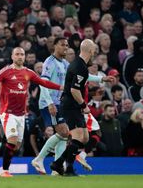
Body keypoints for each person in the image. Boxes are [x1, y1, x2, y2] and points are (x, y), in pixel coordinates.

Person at [32, 37, 113, 174]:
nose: (66, 48)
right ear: (55, 46)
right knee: (64, 132)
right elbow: (43, 84)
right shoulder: (49, 62)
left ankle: (57, 168)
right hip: (50, 102)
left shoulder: (65, 63)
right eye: (63, 45)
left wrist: (101, 78)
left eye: (67, 45)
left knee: (67, 135)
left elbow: (81, 76)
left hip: (61, 101)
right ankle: (40, 159)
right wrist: (50, 103)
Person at [0, 47, 62, 177]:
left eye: (22, 54)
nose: (20, 57)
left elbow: (43, 82)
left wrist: (60, 87)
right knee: (11, 141)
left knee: (15, 146)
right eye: (17, 54)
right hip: (7, 112)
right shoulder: (5, 71)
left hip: (21, 114)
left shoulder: (28, 72)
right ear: (12, 56)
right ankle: (5, 170)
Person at [50, 39, 97, 176]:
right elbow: (74, 90)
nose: (94, 52)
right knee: (78, 138)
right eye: (94, 50)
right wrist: (84, 105)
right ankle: (59, 164)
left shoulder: (79, 64)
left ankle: (65, 166)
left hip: (73, 105)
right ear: (90, 51)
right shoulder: (80, 67)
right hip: (71, 105)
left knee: (85, 138)